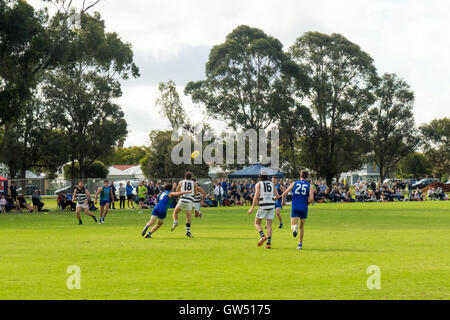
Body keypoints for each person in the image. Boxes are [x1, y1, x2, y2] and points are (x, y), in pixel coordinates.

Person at [282, 170, 314, 250]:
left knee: (292, 225)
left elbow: (284, 194)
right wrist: (307, 203)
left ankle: (294, 228)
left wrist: (283, 201)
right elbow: (312, 199)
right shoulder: (309, 186)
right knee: (302, 227)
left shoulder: (294, 183)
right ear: (307, 177)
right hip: (304, 207)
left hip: (295, 206)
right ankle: (300, 244)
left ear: (300, 176)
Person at [247, 173, 280, 249]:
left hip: (263, 205)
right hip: (271, 205)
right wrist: (272, 199)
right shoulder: (272, 184)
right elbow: (277, 196)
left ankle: (263, 236)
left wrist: (252, 207)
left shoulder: (258, 184)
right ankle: (268, 243)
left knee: (257, 223)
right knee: (269, 225)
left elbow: (256, 196)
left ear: (260, 177)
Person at [171, 172, 197, 238]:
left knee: (175, 212)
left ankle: (175, 221)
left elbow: (177, 191)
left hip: (182, 199)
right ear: (191, 177)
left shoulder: (181, 182)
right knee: (188, 217)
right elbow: (196, 193)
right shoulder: (194, 183)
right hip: (189, 200)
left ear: (185, 177)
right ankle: (188, 232)